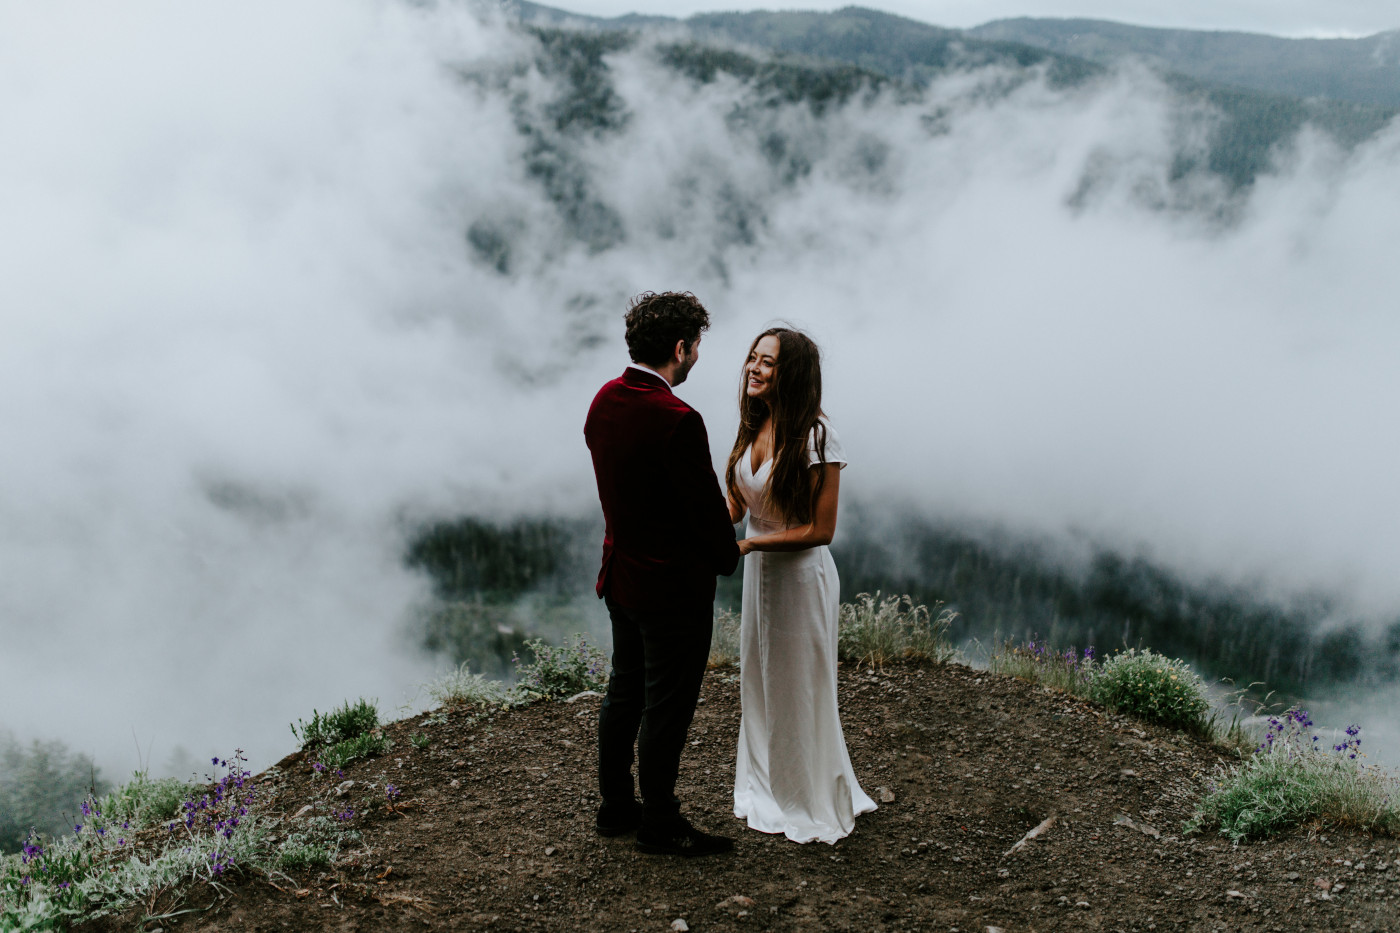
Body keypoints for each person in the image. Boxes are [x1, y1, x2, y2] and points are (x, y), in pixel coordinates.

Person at [583, 290, 742, 857]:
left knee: (623, 694)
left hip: (620, 576)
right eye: (696, 345)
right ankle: (660, 823)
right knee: (666, 708)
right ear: (680, 347)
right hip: (671, 590)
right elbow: (703, 511)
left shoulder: (603, 401)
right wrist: (729, 555)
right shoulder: (677, 418)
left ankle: (615, 807)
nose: (697, 355)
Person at [725, 326, 877, 844]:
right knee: (759, 681)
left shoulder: (816, 437)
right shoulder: (753, 425)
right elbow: (738, 508)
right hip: (759, 575)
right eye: (752, 358)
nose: (753, 368)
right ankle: (766, 786)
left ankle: (809, 798)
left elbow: (821, 530)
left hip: (800, 578)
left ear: (791, 373)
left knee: (801, 688)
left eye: (767, 362)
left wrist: (748, 546)